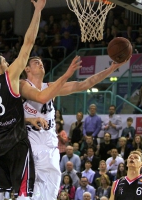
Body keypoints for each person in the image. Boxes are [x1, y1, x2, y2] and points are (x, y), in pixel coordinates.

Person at [0, 0, 78, 199]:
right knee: (25, 191)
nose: (8, 64)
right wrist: (38, 11)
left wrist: (30, 120)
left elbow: (1, 117)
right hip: (15, 143)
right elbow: (28, 43)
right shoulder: (9, 77)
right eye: (5, 62)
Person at [22, 54, 128, 200]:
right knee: (31, 193)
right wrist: (66, 75)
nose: (40, 64)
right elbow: (40, 97)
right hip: (31, 145)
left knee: (50, 196)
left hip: (50, 147)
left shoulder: (52, 87)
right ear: (27, 68)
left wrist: (112, 68)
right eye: (35, 62)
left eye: (41, 62)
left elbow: (84, 84)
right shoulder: (22, 85)